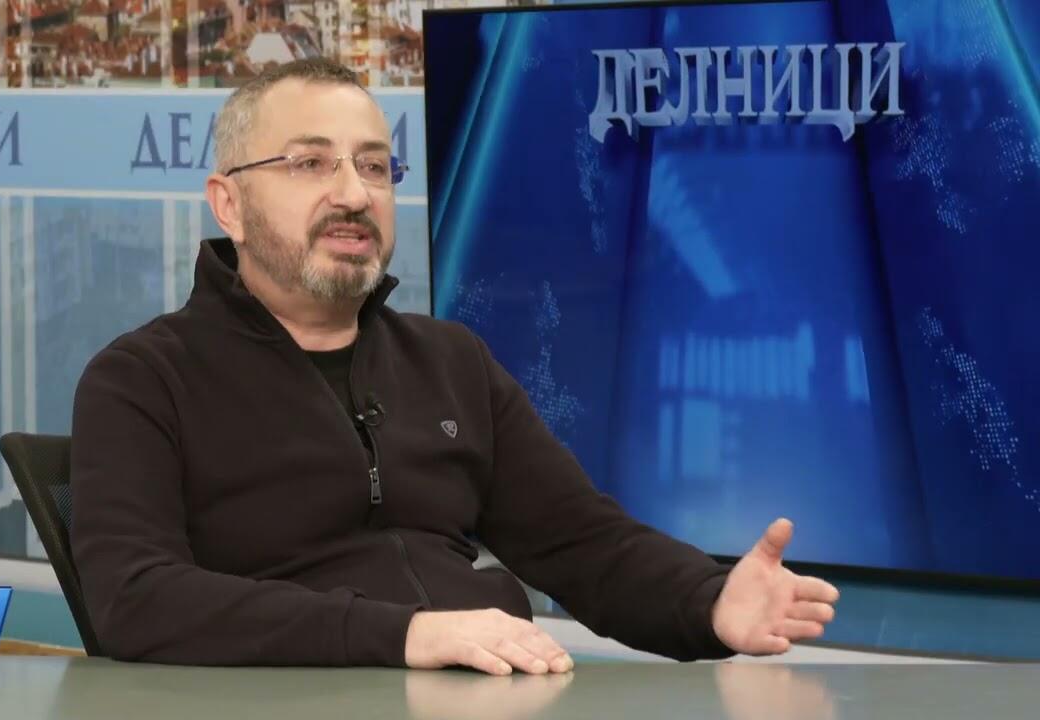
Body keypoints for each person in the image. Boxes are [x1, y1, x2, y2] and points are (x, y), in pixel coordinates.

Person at [70, 58, 839, 676]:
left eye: (376, 167)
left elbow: (581, 543)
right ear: (228, 204)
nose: (354, 194)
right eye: (311, 164)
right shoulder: (143, 380)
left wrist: (711, 602)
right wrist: (407, 635)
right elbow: (135, 599)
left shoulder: (449, 361)